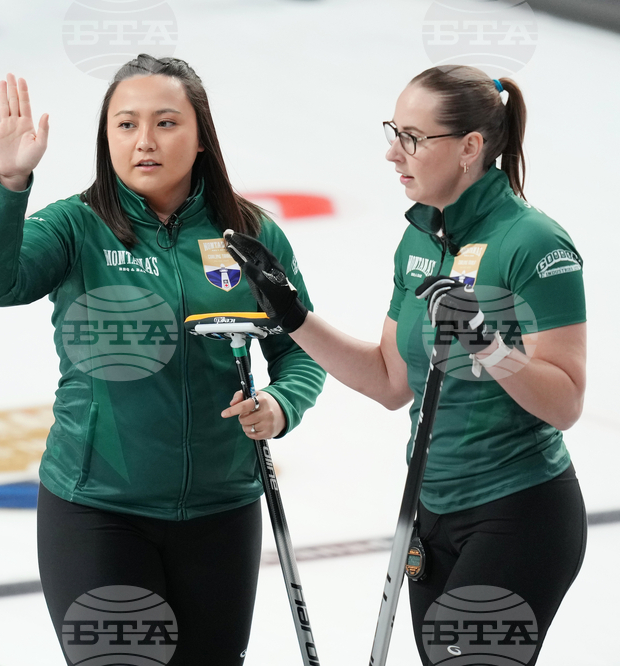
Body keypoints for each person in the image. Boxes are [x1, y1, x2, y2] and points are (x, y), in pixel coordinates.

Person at [0, 55, 326, 665]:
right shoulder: (75, 226)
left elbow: (301, 352)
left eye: (166, 123)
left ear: (201, 136)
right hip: (97, 510)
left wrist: (280, 405)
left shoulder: (251, 232)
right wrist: (9, 182)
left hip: (222, 509)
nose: (145, 142)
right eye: (125, 125)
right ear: (106, 138)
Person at [226, 64, 586, 665]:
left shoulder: (535, 245)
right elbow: (391, 380)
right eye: (395, 131)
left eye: (413, 138)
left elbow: (567, 400)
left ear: (471, 147)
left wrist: (491, 349)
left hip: (518, 511)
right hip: (431, 511)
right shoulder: (420, 241)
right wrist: (291, 315)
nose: (393, 153)